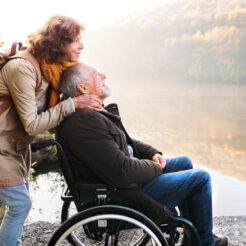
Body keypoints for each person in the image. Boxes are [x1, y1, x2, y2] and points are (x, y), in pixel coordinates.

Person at [57, 63, 228, 246]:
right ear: (83, 87)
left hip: (126, 182)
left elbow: (126, 141)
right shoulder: (83, 122)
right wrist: (155, 167)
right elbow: (122, 171)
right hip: (124, 193)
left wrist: (152, 153)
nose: (104, 76)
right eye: (97, 75)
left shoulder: (92, 113)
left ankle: (193, 237)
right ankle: (205, 242)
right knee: (200, 179)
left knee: (184, 162)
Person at [0, 15, 102, 246]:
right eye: (76, 40)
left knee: (18, 202)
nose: (82, 45)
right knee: (19, 204)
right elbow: (32, 124)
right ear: (58, 43)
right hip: (2, 147)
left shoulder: (50, 69)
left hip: (13, 148)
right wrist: (73, 104)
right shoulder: (23, 68)